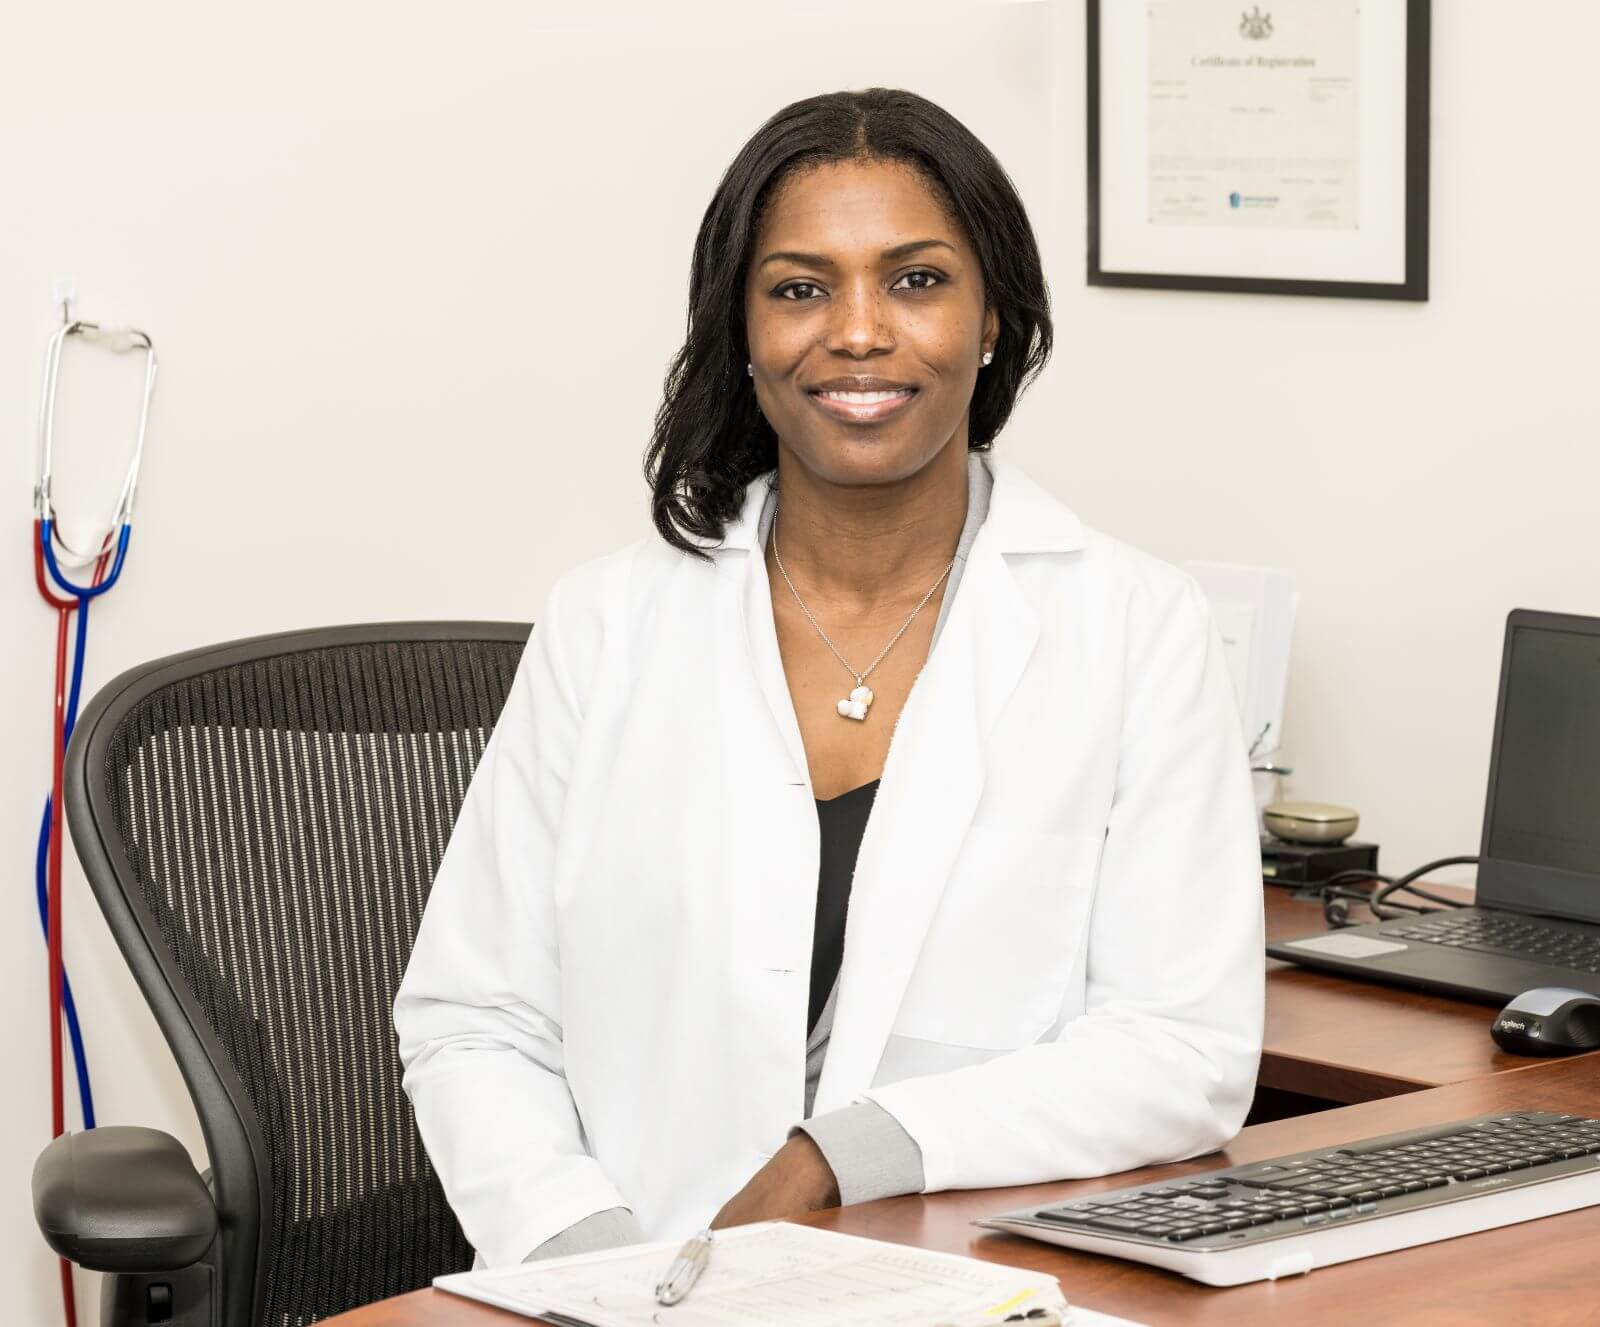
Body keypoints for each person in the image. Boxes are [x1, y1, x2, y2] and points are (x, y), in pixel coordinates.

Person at [393, 86, 1264, 1269]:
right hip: (625, 1282)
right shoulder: (611, 620)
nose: (858, 332)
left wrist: (847, 1150)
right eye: (800, 288)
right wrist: (588, 1259)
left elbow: (1182, 1048)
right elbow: (473, 1018)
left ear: (994, 315)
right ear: (741, 331)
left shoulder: (1132, 625)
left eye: (916, 280)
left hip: (952, 1280)